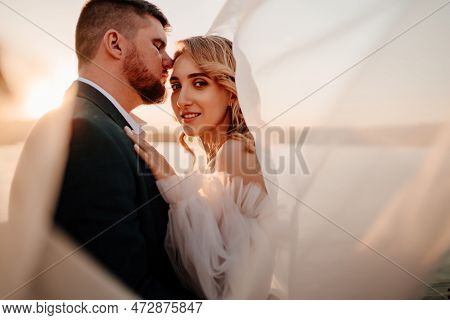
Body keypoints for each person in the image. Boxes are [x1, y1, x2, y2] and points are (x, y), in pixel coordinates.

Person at [54, 0, 196, 299]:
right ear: (115, 44)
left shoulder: (103, 124)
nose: (169, 61)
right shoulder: (89, 134)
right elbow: (122, 292)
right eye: (158, 45)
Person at [125, 35, 278, 299]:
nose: (182, 99)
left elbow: (223, 284)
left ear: (230, 92)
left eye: (199, 83)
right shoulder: (221, 152)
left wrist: (174, 186)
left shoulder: (234, 152)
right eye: (176, 85)